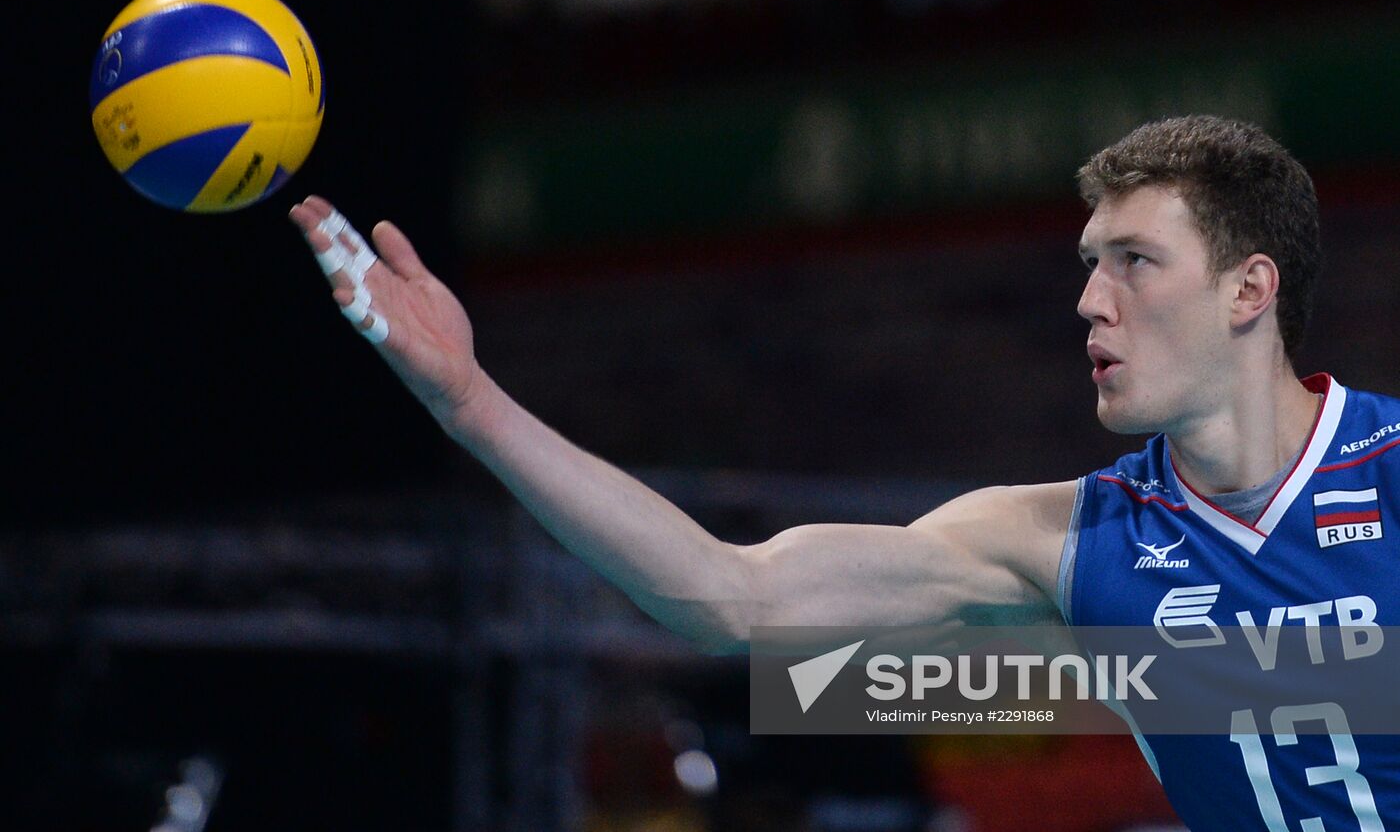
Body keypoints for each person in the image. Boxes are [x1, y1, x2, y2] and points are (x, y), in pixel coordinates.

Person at [289, 114, 1399, 830]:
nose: (1087, 301)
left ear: (1246, 291)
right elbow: (731, 596)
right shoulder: (1065, 537)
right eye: (1085, 264)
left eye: (1132, 262)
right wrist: (469, 401)